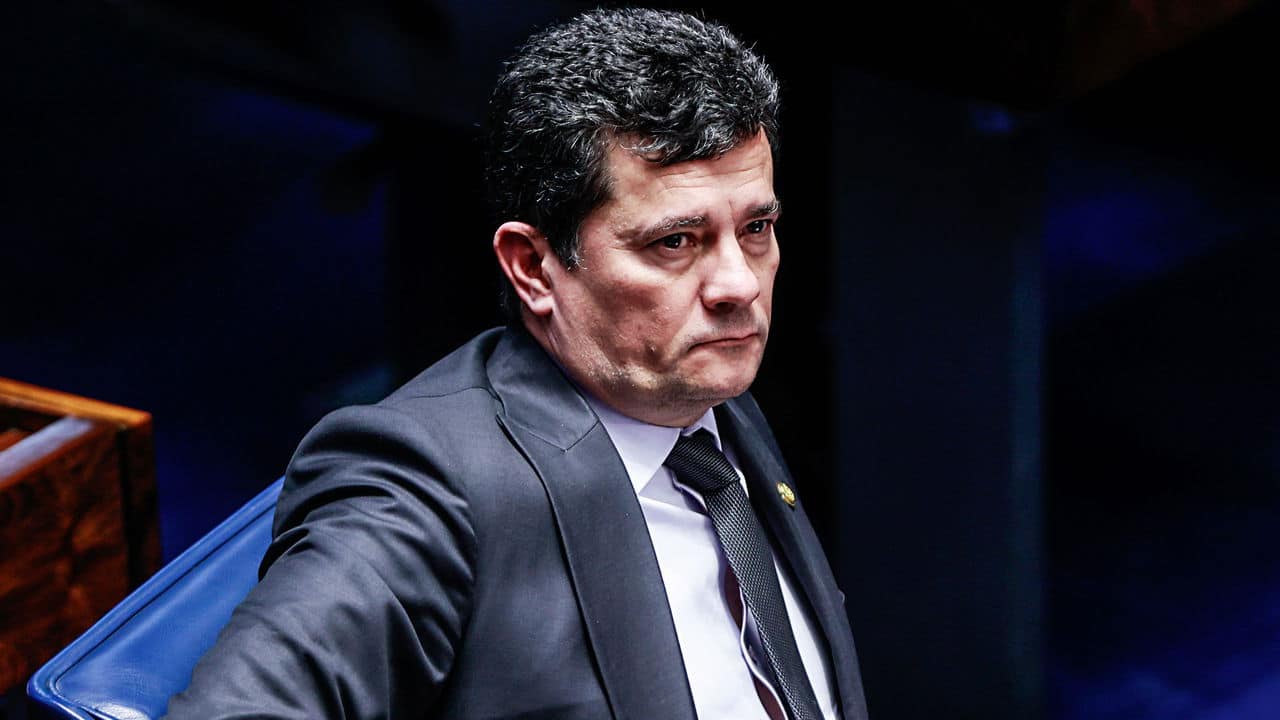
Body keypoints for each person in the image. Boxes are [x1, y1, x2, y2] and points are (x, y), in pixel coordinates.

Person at [168, 8, 868, 720]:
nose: (739, 285)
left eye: (756, 228)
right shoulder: (424, 481)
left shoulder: (703, 397)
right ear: (533, 267)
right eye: (674, 243)